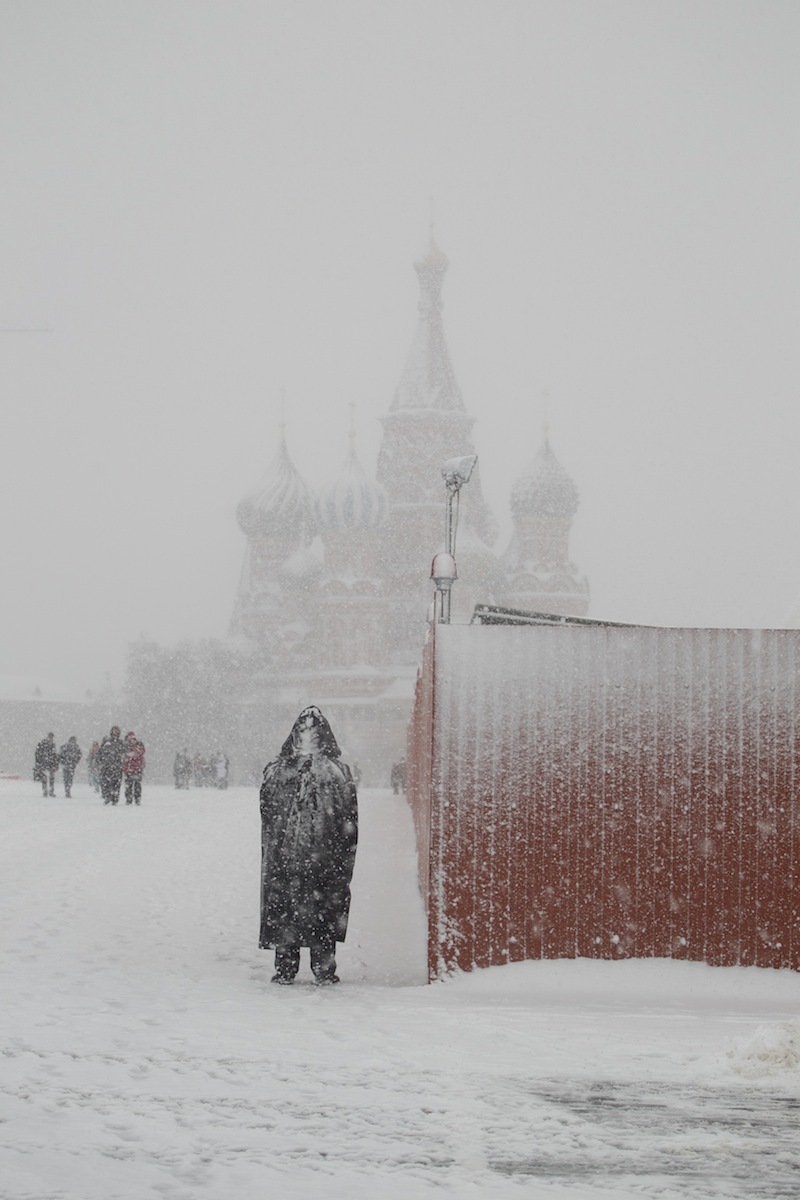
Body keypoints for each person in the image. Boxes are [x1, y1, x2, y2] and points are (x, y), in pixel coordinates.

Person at [259, 706, 358, 986]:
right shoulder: (278, 769)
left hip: (323, 856)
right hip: (286, 856)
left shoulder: (336, 771)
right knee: (286, 910)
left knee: (322, 910)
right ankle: (286, 967)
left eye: (314, 731)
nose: (308, 736)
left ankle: (323, 967)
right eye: (303, 730)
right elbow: (267, 809)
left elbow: (348, 816)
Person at [96, 726, 125, 805]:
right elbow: (100, 753)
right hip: (106, 766)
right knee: (105, 783)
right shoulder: (106, 741)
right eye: (113, 731)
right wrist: (99, 761)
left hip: (117, 767)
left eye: (116, 731)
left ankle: (115, 798)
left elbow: (124, 753)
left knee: (116, 783)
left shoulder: (121, 743)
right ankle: (107, 796)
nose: (115, 733)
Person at [122, 731, 145, 805]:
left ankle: (137, 798)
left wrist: (134, 753)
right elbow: (124, 755)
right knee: (128, 785)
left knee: (137, 785)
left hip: (137, 769)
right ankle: (129, 799)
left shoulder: (139, 745)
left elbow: (141, 753)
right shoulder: (125, 746)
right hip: (128, 769)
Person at [34, 733, 59, 797]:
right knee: (45, 778)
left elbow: (55, 756)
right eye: (50, 737)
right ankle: (46, 791)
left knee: (51, 778)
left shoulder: (52, 745)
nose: (51, 739)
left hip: (50, 764)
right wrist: (39, 763)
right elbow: (37, 754)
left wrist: (55, 764)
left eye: (52, 737)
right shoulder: (42, 744)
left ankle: (50, 791)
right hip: (44, 763)